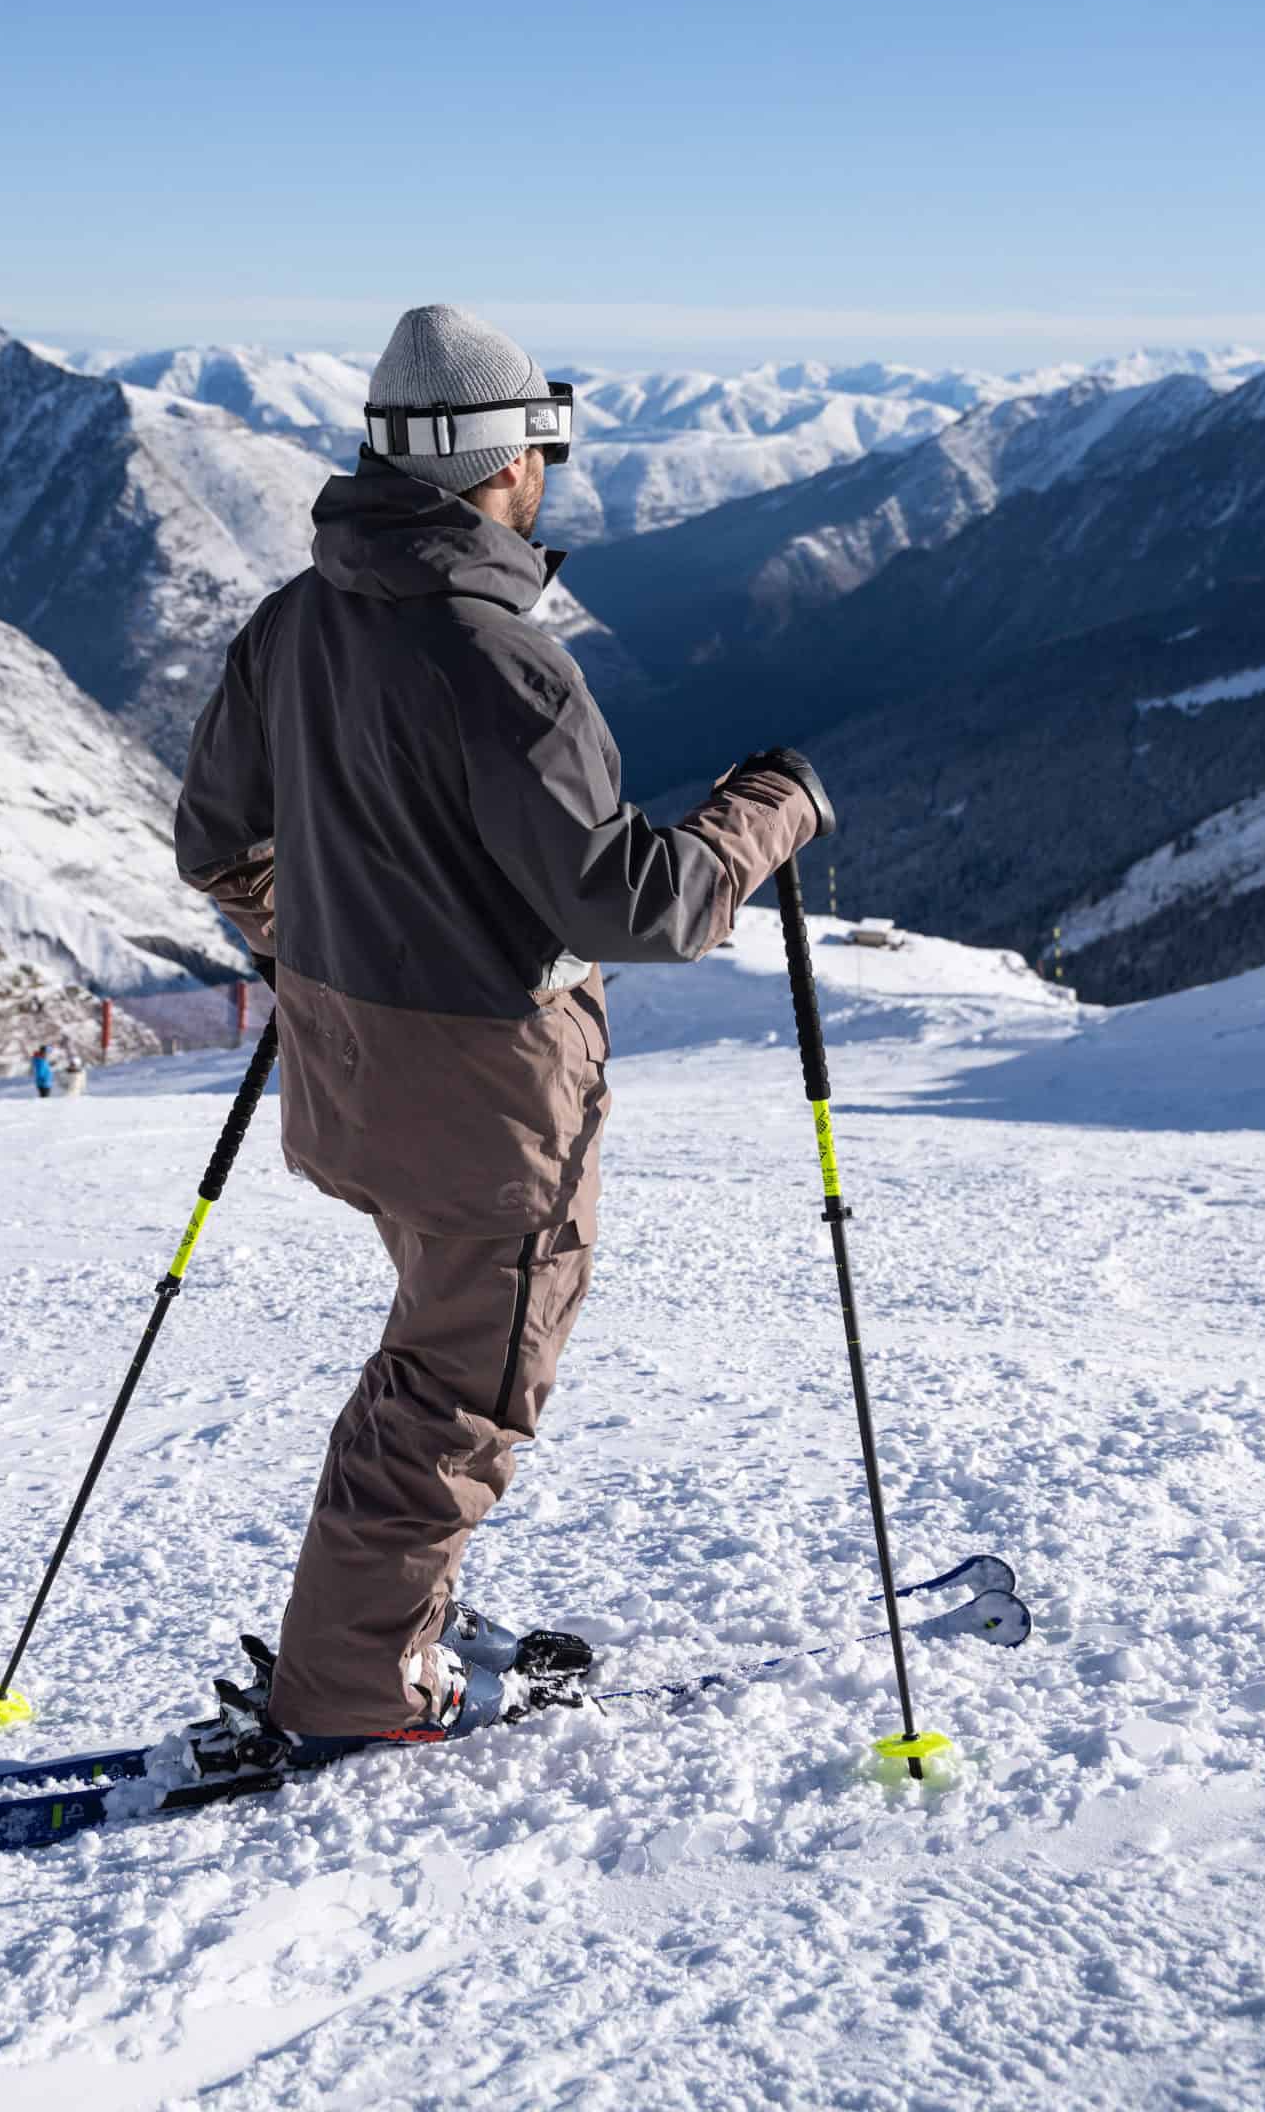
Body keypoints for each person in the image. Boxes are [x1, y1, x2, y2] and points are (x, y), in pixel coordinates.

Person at [175, 303, 831, 1757]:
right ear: (494, 464)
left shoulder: (291, 624)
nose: (554, 469)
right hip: (485, 1103)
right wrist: (769, 807)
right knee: (461, 1392)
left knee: (434, 1347)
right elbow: (636, 910)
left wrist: (325, 950)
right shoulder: (503, 661)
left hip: (352, 1085)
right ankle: (352, 1687)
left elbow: (218, 842)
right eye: (545, 442)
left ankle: (390, 1616)